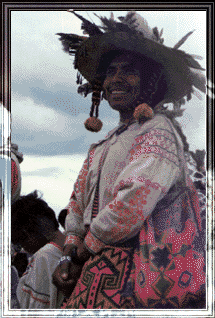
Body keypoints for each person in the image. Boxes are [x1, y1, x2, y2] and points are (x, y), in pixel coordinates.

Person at [53, 11, 206, 309]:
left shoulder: (158, 131)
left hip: (136, 275)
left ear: (150, 81)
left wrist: (83, 250)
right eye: (110, 72)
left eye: (129, 71)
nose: (116, 80)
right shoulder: (101, 146)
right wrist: (69, 252)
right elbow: (76, 203)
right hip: (91, 268)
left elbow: (134, 198)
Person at [11, 191, 65, 309]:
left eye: (20, 243)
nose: (25, 249)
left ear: (27, 233)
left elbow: (36, 308)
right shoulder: (68, 248)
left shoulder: (45, 256)